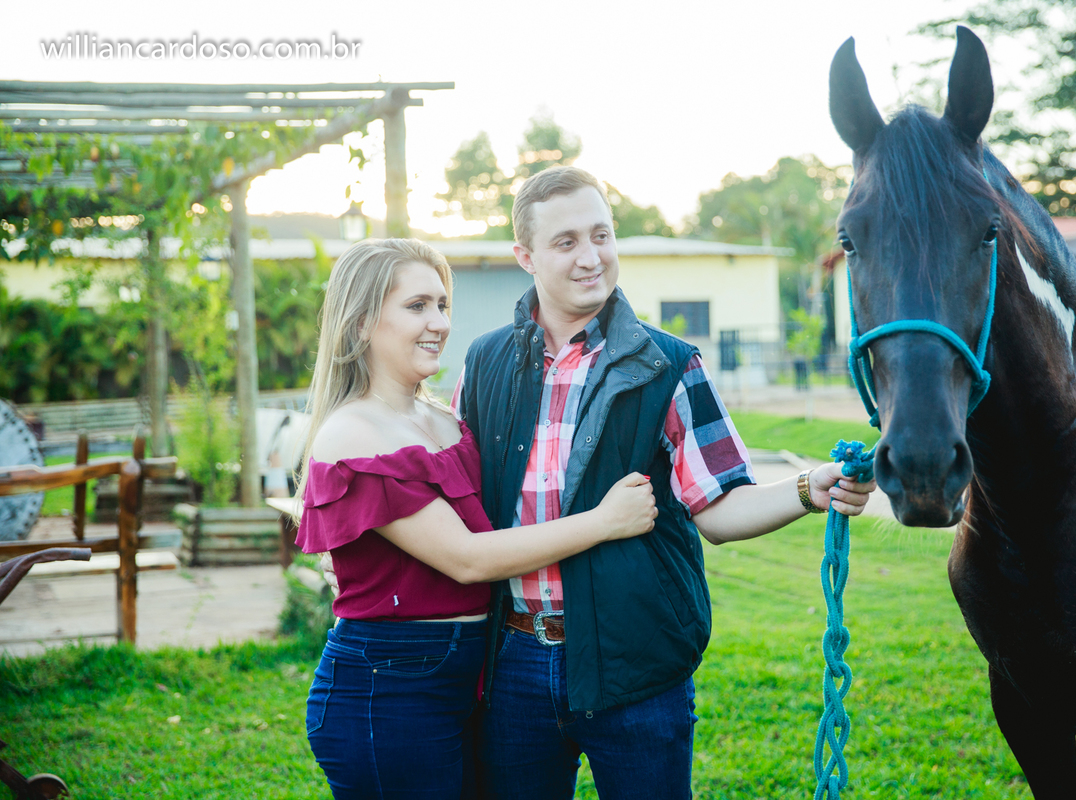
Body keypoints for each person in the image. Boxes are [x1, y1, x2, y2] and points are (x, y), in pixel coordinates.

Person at [452, 166, 877, 799]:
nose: (591, 256)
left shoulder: (669, 364)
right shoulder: (484, 362)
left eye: (602, 234)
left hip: (638, 662)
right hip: (511, 661)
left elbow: (720, 508)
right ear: (525, 256)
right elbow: (457, 508)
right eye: (566, 241)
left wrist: (805, 489)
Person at [293, 238, 659, 800]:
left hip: (468, 678)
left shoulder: (442, 420)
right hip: (388, 688)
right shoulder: (353, 433)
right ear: (363, 322)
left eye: (442, 304)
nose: (438, 322)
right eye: (416, 306)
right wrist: (605, 521)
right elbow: (467, 559)